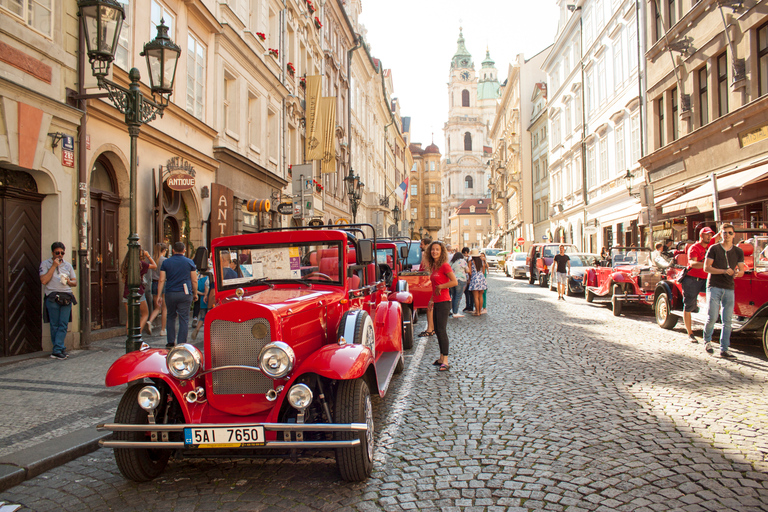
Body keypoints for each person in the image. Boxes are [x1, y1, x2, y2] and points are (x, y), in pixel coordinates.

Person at [703, 224, 745, 358]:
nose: (727, 235)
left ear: (734, 234)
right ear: (721, 234)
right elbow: (706, 268)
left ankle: (724, 348)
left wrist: (737, 273)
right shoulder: (714, 248)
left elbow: (742, 270)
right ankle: (707, 341)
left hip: (729, 287)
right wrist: (723, 271)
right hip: (714, 285)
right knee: (713, 317)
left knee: (727, 320)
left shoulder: (738, 251)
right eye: (724, 233)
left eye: (729, 233)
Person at [39, 242, 77, 360]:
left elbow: (74, 282)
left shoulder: (68, 265)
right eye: (57, 253)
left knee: (63, 324)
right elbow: (44, 280)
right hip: (52, 296)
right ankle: (58, 349)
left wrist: (69, 282)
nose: (60, 255)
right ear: (52, 253)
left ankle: (58, 349)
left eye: (62, 253)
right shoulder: (45, 264)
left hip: (66, 296)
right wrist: (54, 266)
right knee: (54, 324)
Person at [424, 241, 457, 371]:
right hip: (437, 301)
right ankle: (441, 357)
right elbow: (434, 287)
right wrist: (431, 299)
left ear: (441, 251)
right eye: (432, 250)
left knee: (442, 331)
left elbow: (454, 282)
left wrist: (441, 286)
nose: (434, 252)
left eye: (437, 250)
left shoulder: (444, 266)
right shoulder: (435, 266)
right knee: (437, 330)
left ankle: (446, 361)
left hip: (444, 302)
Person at [682, 227, 719, 343]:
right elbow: (692, 263)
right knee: (689, 305)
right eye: (707, 234)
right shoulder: (694, 248)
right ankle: (690, 333)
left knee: (715, 299)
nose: (709, 237)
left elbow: (719, 235)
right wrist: (706, 265)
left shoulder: (710, 244)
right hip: (692, 279)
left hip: (706, 279)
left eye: (710, 235)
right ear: (701, 235)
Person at [158, 242, 197, 348]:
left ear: (173, 250)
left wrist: (158, 295)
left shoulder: (166, 262)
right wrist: (195, 293)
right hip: (185, 293)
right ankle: (181, 343)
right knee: (184, 318)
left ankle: (170, 341)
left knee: (170, 316)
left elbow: (161, 280)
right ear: (184, 250)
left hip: (170, 292)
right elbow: (194, 280)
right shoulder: (189, 262)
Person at [120, 245, 157, 335]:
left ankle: (130, 336)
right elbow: (154, 266)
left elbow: (123, 280)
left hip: (126, 292)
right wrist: (148, 256)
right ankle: (136, 335)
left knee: (130, 317)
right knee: (145, 314)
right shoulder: (141, 264)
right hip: (138, 292)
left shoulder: (125, 264)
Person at [148, 243, 168, 335]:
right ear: (164, 250)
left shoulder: (153, 260)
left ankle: (150, 321)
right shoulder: (165, 260)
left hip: (154, 283)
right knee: (164, 308)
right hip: (163, 283)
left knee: (157, 307)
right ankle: (163, 329)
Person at [417, 236, 435, 337]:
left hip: (428, 282)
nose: (420, 246)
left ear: (427, 245)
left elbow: (427, 269)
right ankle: (431, 328)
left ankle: (430, 329)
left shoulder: (427, 256)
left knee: (430, 306)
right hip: (428, 282)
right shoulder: (427, 256)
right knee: (430, 306)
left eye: (422, 244)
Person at [192, 268, 211, 341]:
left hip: (202, 300)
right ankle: (208, 333)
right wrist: (206, 295)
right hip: (208, 299)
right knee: (209, 317)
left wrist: (202, 294)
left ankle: (197, 329)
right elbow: (207, 287)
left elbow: (195, 290)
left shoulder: (199, 280)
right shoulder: (208, 278)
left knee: (202, 317)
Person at [467, 248, 487, 316]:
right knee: (480, 296)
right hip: (481, 278)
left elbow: (469, 272)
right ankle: (480, 311)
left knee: (475, 296)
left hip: (474, 278)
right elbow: (483, 271)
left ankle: (477, 311)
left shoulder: (471, 261)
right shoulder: (481, 261)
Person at [449, 251, 468, 317]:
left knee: (453, 296)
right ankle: (455, 312)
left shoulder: (451, 262)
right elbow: (467, 270)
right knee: (458, 297)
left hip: (452, 280)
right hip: (461, 280)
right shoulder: (462, 261)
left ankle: (453, 311)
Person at [461, 247, 475, 312]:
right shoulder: (469, 258)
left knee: (468, 293)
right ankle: (469, 306)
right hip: (469, 278)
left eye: (464, 253)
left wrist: (469, 278)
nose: (464, 255)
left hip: (469, 278)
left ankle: (470, 306)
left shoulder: (470, 259)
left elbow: (469, 270)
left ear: (466, 252)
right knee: (468, 293)